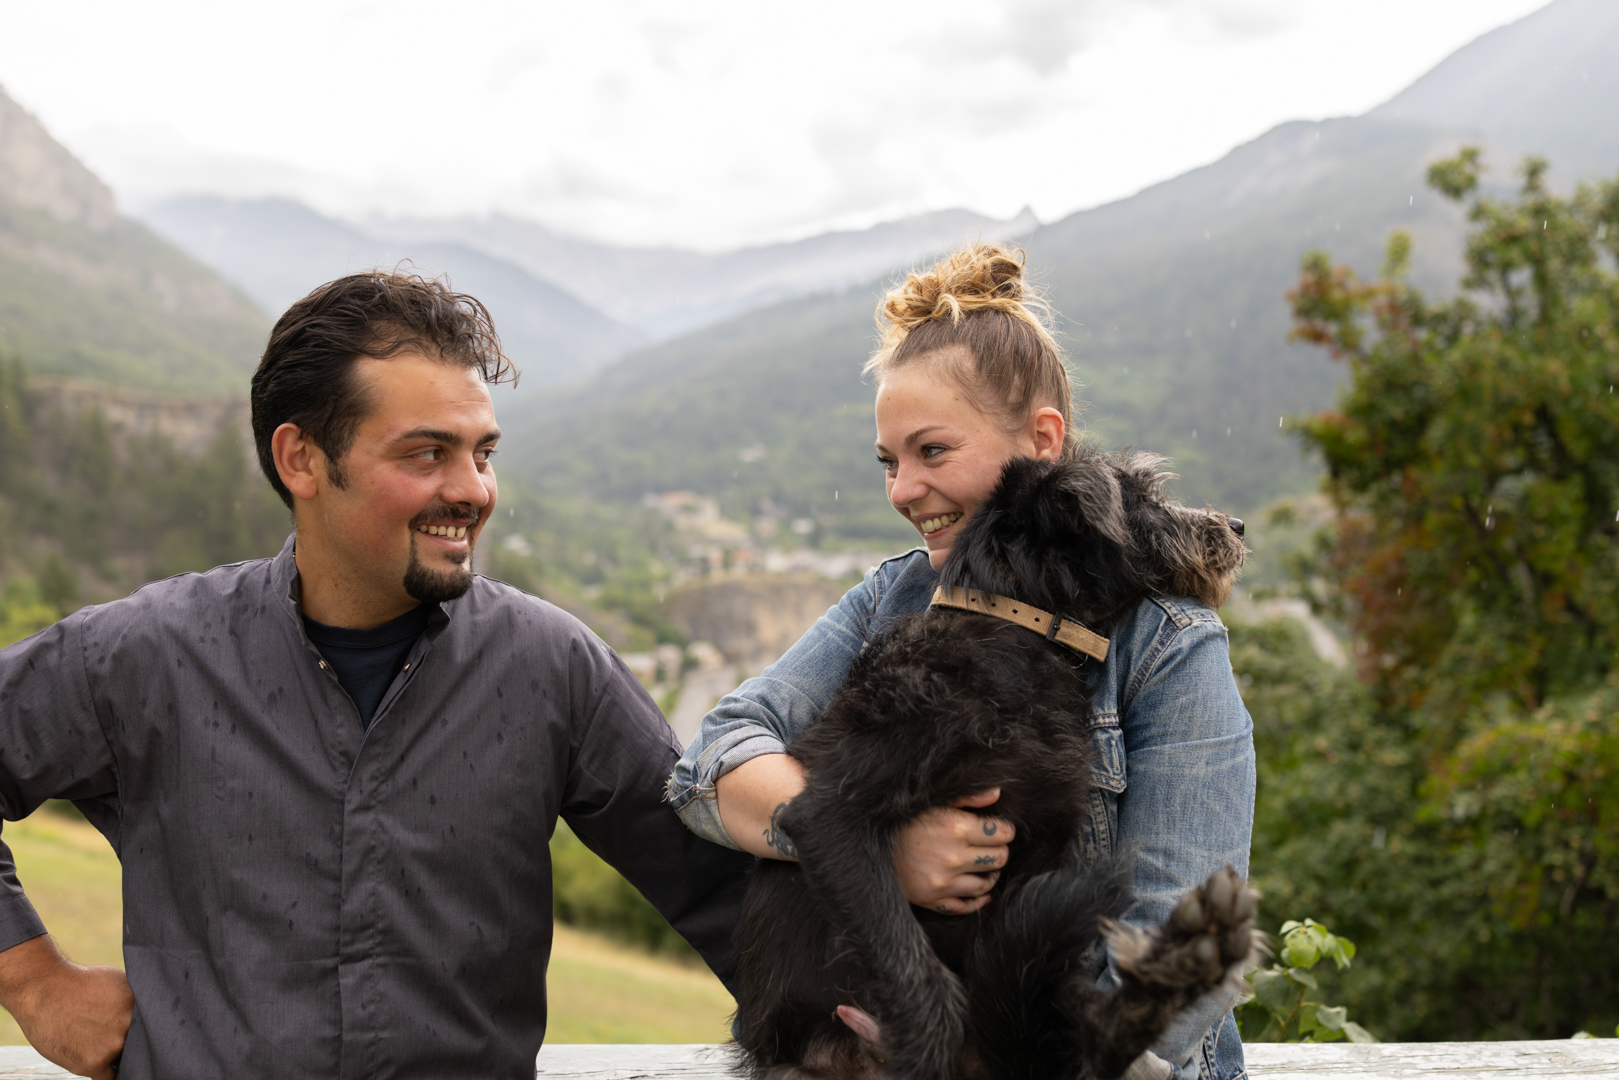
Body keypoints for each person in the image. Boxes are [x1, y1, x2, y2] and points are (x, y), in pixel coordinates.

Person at [0, 272, 753, 1080]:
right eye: (427, 453)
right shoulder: (146, 655)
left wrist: (836, 1029)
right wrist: (33, 981)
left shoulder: (553, 668)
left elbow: (727, 894)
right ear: (301, 460)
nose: (472, 490)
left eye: (483, 453)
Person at [668, 244, 1255, 1080]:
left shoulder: (1166, 644)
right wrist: (886, 849)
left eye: (932, 452)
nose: (902, 490)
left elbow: (1173, 974)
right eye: (889, 462)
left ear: (1041, 442)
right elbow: (710, 765)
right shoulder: (896, 596)